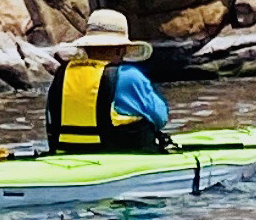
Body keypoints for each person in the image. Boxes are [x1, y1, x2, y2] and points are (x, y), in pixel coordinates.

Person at [43, 9, 172, 153]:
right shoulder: (128, 76)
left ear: (86, 47)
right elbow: (160, 118)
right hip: (115, 155)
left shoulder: (62, 75)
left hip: (66, 152)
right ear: (120, 50)